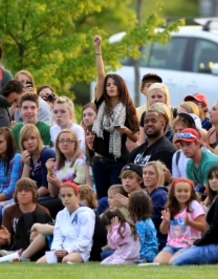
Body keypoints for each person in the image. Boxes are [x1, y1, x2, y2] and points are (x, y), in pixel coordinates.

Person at [92, 35, 139, 200]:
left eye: (114, 84)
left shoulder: (127, 108)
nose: (110, 87)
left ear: (121, 87)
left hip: (118, 161)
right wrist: (98, 50)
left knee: (114, 199)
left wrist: (126, 131)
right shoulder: (101, 103)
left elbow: (136, 135)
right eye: (108, 84)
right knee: (102, 200)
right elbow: (100, 75)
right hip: (99, 161)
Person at [0, 178, 51, 262]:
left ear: (34, 193)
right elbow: (6, 243)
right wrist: (5, 239)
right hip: (15, 251)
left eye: (27, 190)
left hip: (37, 252)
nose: (23, 193)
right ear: (16, 194)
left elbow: (48, 238)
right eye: (20, 191)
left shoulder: (43, 211)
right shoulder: (9, 211)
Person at [36, 182, 95, 264]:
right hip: (62, 250)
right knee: (41, 262)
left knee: (66, 260)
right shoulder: (60, 214)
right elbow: (58, 235)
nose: (66, 198)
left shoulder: (86, 214)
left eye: (69, 195)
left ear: (77, 196)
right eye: (63, 196)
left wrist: (68, 250)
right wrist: (56, 249)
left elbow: (85, 240)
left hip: (80, 251)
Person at [154, 178, 206, 265]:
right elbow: (163, 231)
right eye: (179, 191)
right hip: (171, 245)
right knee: (158, 262)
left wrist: (189, 222)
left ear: (191, 193)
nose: (182, 194)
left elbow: (203, 227)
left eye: (186, 191)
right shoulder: (170, 206)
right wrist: (166, 221)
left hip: (188, 245)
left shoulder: (193, 205)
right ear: (174, 193)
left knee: (173, 262)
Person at [43, 129, 88, 218]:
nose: (65, 143)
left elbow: (78, 190)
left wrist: (58, 183)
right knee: (34, 203)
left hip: (73, 199)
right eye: (62, 141)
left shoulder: (81, 161)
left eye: (69, 141)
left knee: (40, 207)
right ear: (58, 145)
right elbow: (53, 194)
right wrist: (50, 172)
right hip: (59, 197)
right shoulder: (57, 163)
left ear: (75, 144)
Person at [176, 128, 218, 193]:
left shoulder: (210, 162)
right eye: (182, 145)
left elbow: (207, 192)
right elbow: (190, 188)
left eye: (188, 144)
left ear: (198, 144)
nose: (184, 149)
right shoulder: (190, 164)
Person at [20, 124, 55, 199]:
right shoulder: (28, 155)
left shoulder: (47, 153)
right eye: (25, 139)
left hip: (48, 196)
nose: (29, 142)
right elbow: (23, 185)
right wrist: (26, 164)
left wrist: (28, 198)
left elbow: (46, 188)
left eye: (32, 138)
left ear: (38, 139)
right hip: (33, 195)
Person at [142, 161, 168, 250]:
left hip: (158, 241)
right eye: (144, 173)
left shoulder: (159, 195)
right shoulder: (148, 194)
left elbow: (151, 222)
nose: (146, 176)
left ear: (159, 176)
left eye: (151, 173)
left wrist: (131, 207)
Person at [128, 191, 158, 262]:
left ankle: (142, 260)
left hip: (144, 253)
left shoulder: (140, 223)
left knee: (107, 254)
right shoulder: (148, 219)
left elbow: (139, 241)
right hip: (151, 252)